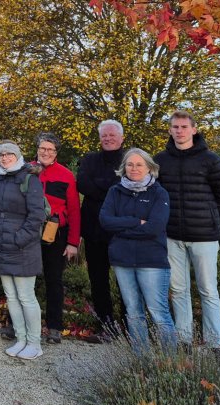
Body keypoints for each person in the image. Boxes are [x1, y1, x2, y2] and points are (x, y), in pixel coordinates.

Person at [154, 110, 220, 358]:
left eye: (184, 127)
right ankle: (184, 340)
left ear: (194, 129)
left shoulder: (211, 160)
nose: (179, 131)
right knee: (178, 290)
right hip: (172, 236)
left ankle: (213, 344)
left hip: (204, 237)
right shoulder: (160, 161)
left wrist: (209, 218)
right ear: (170, 130)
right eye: (175, 127)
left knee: (208, 290)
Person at [99, 148, 175, 352]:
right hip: (122, 260)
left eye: (139, 164)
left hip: (151, 261)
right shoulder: (115, 191)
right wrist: (135, 222)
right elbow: (105, 221)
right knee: (133, 312)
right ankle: (140, 359)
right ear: (124, 168)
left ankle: (171, 362)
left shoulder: (159, 193)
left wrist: (122, 228)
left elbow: (154, 227)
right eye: (130, 164)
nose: (134, 168)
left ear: (149, 168)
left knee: (158, 312)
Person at [0, 142, 46, 360]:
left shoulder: (30, 178)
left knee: (27, 297)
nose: (4, 157)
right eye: (0, 154)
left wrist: (19, 239)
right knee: (11, 296)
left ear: (18, 155)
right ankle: (20, 339)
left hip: (22, 248)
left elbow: (37, 215)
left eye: (9, 153)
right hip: (0, 244)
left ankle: (34, 342)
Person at [76, 120, 125, 341]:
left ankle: (128, 326)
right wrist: (113, 186)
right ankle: (106, 325)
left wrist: (100, 186)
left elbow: (127, 185)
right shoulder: (89, 159)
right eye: (104, 135)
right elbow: (83, 184)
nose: (108, 138)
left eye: (112, 135)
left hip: (122, 232)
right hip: (94, 231)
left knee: (125, 281)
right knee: (98, 280)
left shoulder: (130, 160)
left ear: (121, 137)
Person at [32, 133, 80, 344]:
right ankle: (19, 325)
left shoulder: (66, 175)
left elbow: (74, 210)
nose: (46, 152)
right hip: (30, 231)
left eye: (50, 149)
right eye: (43, 148)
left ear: (56, 152)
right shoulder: (27, 170)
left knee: (54, 281)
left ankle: (54, 327)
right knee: (25, 280)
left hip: (56, 233)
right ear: (37, 149)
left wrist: (72, 242)